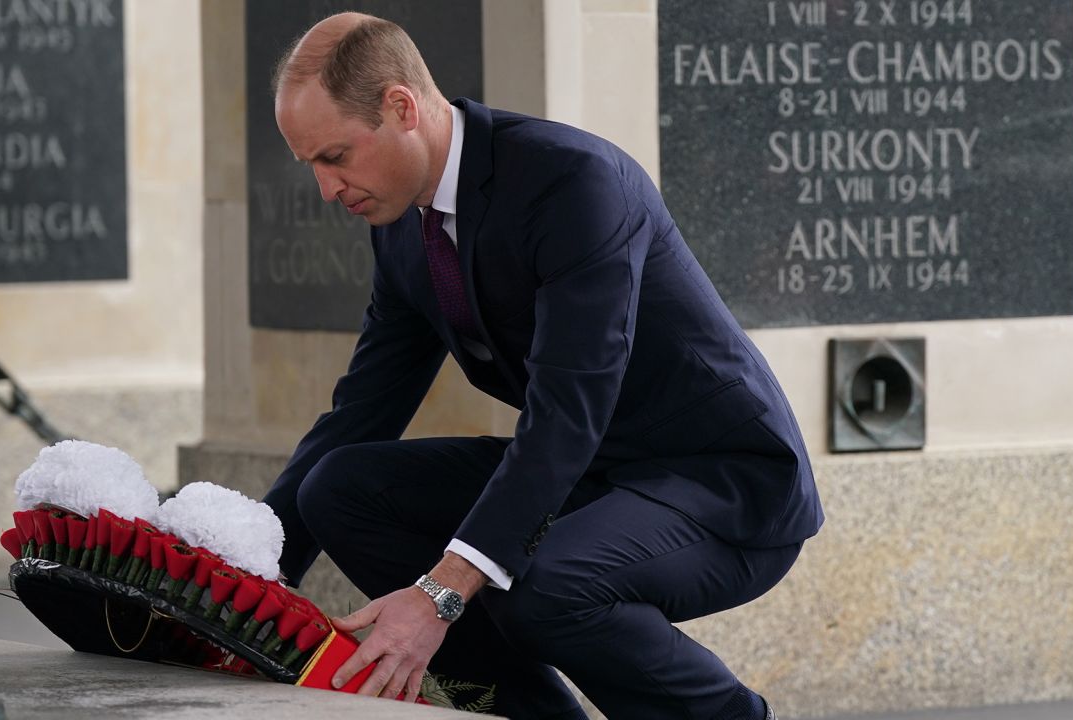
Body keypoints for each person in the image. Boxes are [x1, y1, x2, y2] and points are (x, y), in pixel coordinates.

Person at [262, 12, 823, 720]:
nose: (326, 188)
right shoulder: (403, 228)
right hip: (592, 481)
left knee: (544, 585)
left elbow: (569, 408)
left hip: (721, 485)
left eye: (335, 155)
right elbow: (362, 411)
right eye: (310, 163)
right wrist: (246, 569)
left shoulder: (572, 182)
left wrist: (440, 593)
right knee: (338, 488)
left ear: (400, 107)